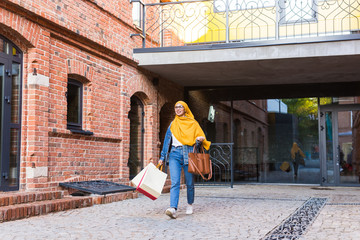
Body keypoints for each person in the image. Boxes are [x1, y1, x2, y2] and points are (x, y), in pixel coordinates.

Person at [158, 101, 211, 219]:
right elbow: (167, 142)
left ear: (185, 108)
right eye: (176, 107)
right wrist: (162, 157)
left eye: (180, 107)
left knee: (189, 182)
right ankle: (173, 208)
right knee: (175, 182)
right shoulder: (172, 124)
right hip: (174, 154)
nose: (178, 109)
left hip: (189, 154)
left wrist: (200, 140)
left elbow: (200, 139)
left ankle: (190, 204)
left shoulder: (193, 123)